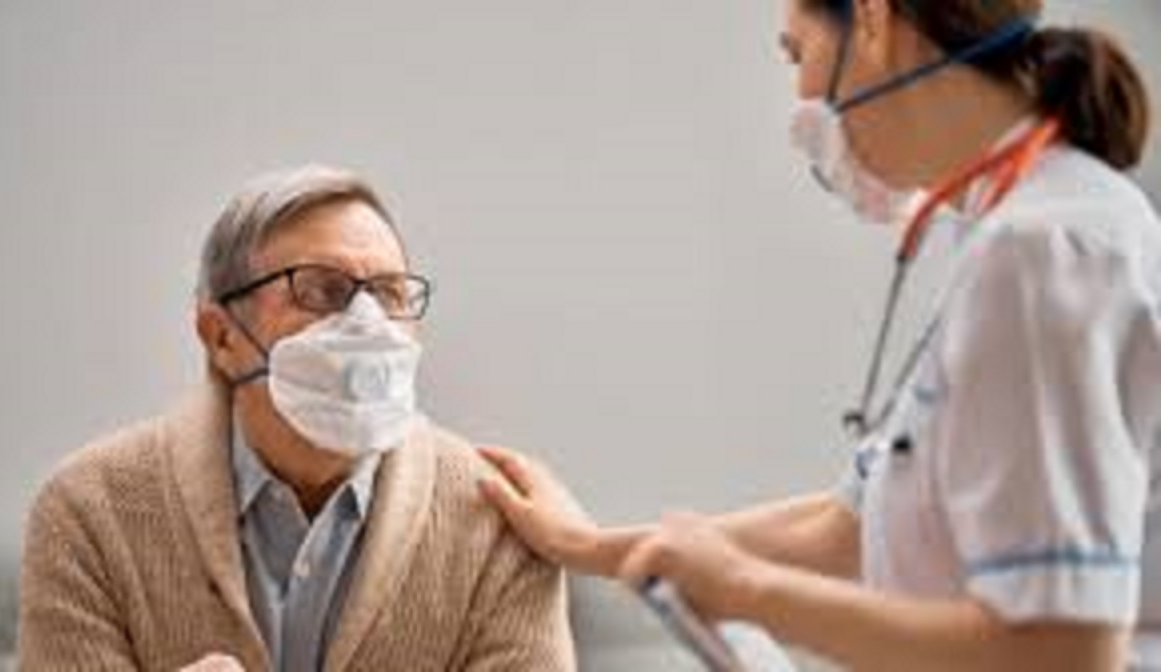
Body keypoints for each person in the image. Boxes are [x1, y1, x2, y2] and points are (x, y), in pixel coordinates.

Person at [478, 0, 1161, 669]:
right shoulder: (1034, 226)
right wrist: (588, 547)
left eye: (797, 53)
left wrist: (747, 591)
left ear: (871, 20)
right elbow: (846, 529)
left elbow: (1066, 650)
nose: (801, 97)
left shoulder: (1040, 248)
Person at [17, 165, 576, 671]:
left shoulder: (499, 523)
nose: (367, 322)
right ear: (222, 336)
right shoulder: (90, 512)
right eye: (321, 290)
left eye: (389, 294)